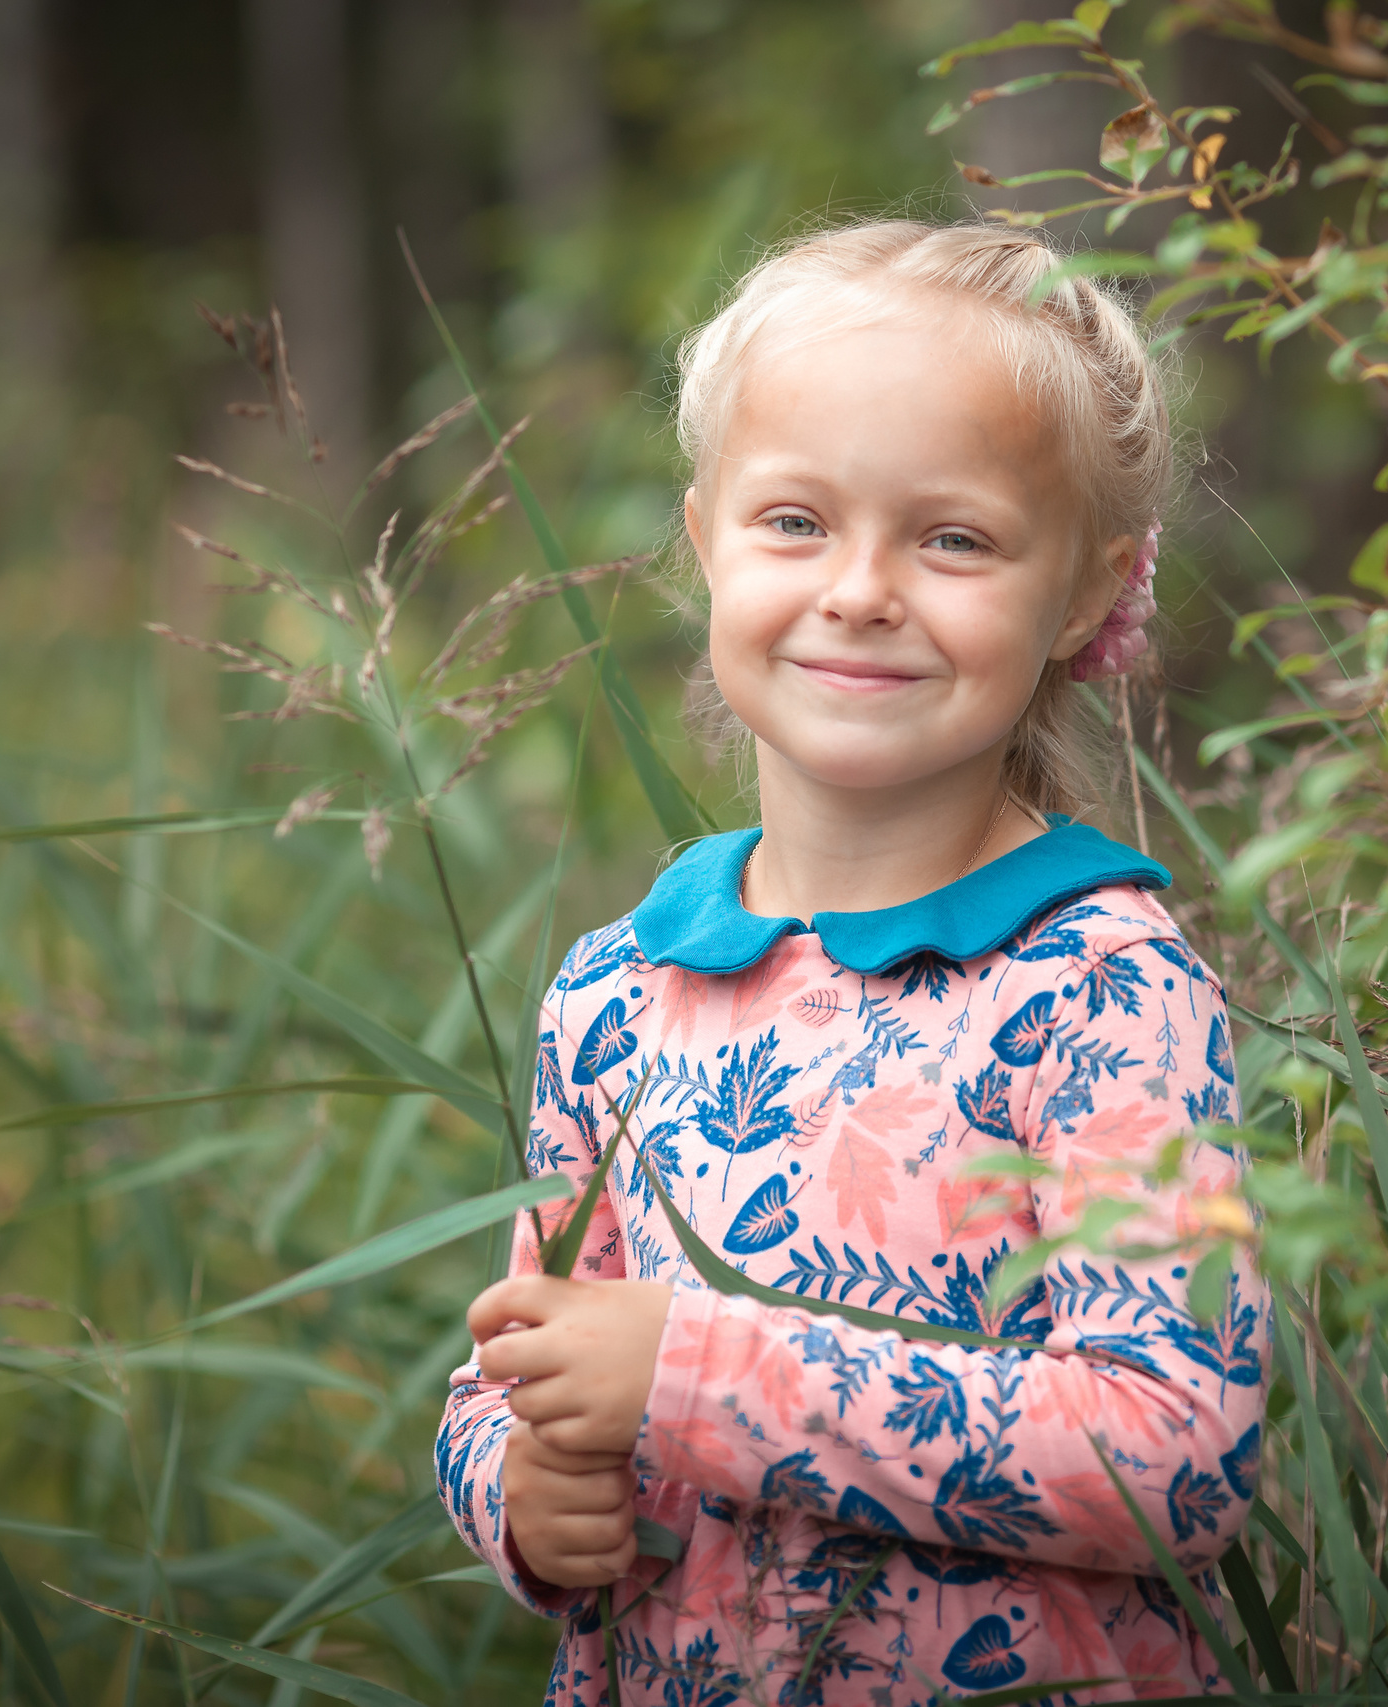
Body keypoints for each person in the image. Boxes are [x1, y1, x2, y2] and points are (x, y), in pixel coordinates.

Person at [435, 219, 1267, 1707]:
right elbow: (521, 1360)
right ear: (705, 543)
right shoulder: (619, 990)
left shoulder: (1101, 988)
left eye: (953, 538)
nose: (863, 588)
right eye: (796, 522)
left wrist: (690, 1379)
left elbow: (1179, 1453)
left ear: (1086, 589)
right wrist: (516, 1498)